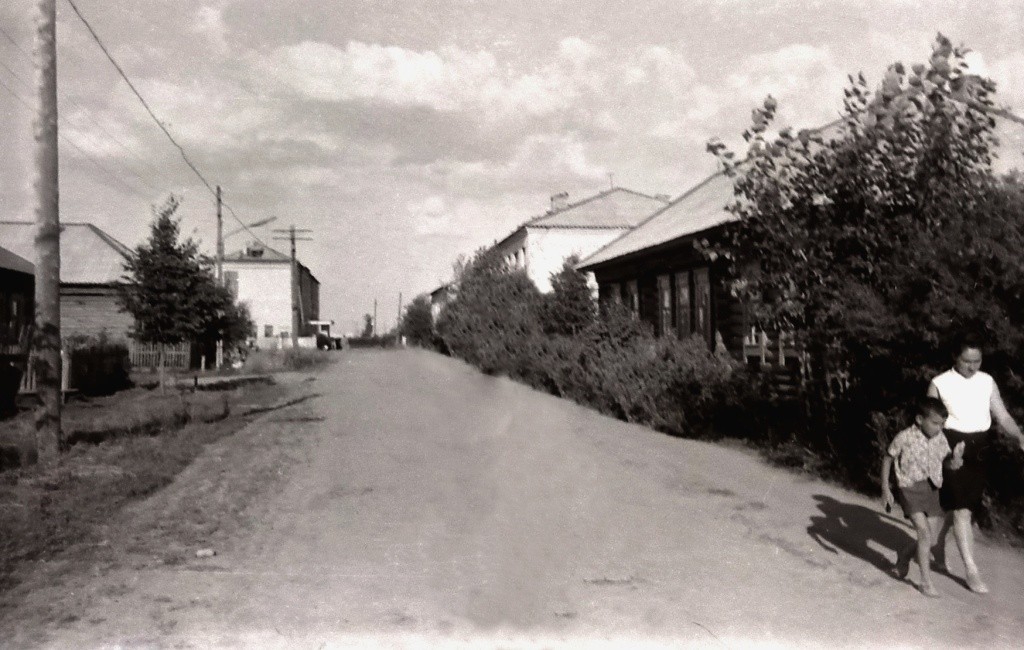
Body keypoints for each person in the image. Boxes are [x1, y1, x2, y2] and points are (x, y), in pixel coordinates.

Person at [927, 333, 1024, 594]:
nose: (973, 367)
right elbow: (929, 424)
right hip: (950, 446)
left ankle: (934, 546)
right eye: (967, 361)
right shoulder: (939, 383)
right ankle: (971, 570)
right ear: (955, 358)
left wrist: (1018, 436)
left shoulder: (987, 381)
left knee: (959, 506)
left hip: (980, 448)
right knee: (962, 511)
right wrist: (941, 454)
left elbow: (1002, 415)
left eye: (977, 361)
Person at [882, 397, 964, 597]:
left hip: (932, 488)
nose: (939, 428)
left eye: (942, 424)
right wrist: (885, 488)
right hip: (909, 488)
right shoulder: (904, 437)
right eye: (935, 423)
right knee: (924, 534)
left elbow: (945, 463)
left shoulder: (940, 439)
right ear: (919, 419)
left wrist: (954, 462)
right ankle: (925, 582)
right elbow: (887, 458)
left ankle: (904, 556)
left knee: (932, 538)